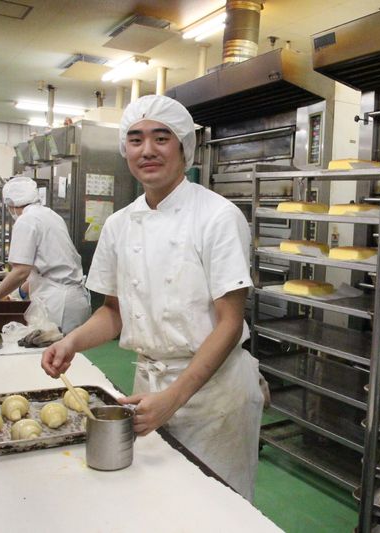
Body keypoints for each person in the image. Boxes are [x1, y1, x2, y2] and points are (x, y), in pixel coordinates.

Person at [41, 95, 264, 500]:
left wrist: (173, 398)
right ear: (125, 150)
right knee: (155, 502)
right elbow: (114, 313)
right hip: (148, 386)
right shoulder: (118, 224)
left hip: (214, 396)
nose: (147, 150)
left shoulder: (217, 217)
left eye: (161, 138)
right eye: (136, 139)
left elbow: (230, 323)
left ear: (183, 147)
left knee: (213, 509)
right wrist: (70, 342)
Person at [0, 176, 91, 334]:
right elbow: (49, 267)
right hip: (73, 298)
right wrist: (19, 293)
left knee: (53, 348)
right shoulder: (51, 215)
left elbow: (21, 271)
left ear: (11, 203)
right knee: (67, 348)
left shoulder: (26, 220)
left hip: (58, 303)